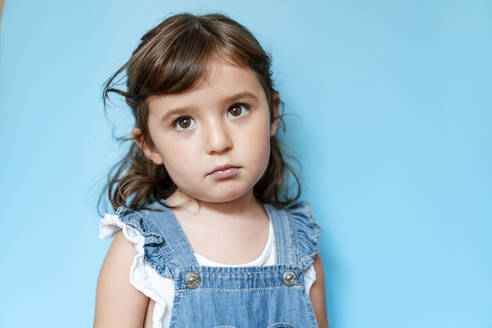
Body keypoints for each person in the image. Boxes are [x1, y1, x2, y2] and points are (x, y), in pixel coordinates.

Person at [94, 12, 329, 328]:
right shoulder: (139, 248)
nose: (218, 143)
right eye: (184, 122)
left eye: (236, 110)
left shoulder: (299, 242)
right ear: (149, 145)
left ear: (273, 114)